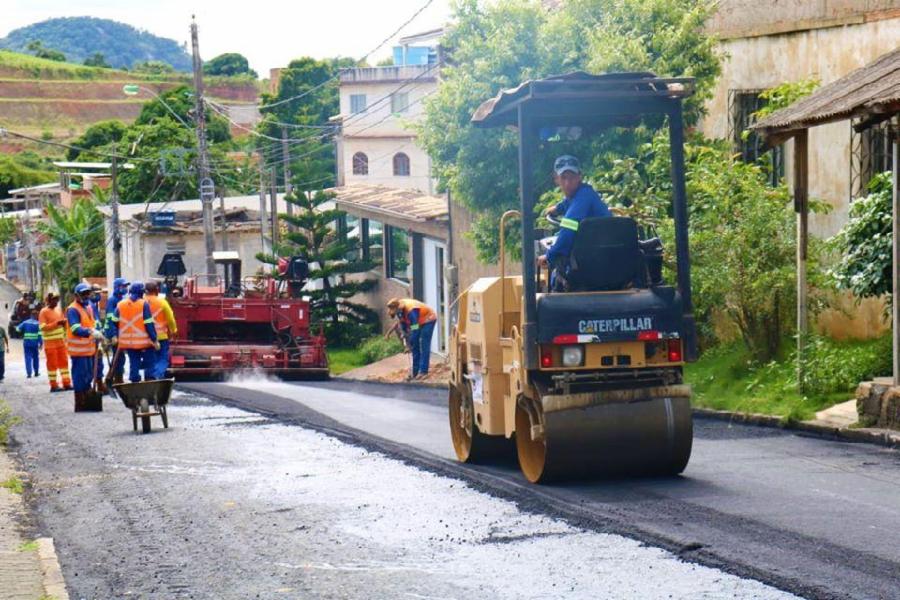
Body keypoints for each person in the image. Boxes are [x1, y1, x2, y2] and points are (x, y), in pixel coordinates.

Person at [536, 155, 611, 280]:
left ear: (579, 177)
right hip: (598, 256)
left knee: (556, 276)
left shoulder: (584, 196)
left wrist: (549, 256)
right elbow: (569, 203)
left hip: (595, 261)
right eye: (563, 178)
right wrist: (558, 208)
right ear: (556, 179)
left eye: (572, 177)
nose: (568, 183)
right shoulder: (582, 194)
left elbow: (568, 228)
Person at [106, 282, 159, 383]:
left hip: (128, 342)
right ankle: (149, 379)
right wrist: (154, 339)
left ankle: (134, 381)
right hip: (144, 341)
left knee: (134, 362)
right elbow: (148, 323)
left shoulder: (120, 304)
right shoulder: (144, 304)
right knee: (149, 361)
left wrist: (115, 335)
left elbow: (114, 321)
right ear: (141, 293)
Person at [66, 283, 106, 410]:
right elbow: (75, 328)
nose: (86, 296)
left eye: (87, 293)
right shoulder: (73, 309)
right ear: (76, 295)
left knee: (88, 375)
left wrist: (97, 339)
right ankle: (80, 402)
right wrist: (90, 332)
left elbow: (92, 324)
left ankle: (87, 399)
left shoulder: (88, 307)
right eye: (83, 294)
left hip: (89, 349)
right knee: (80, 376)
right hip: (78, 351)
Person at [385, 298, 437, 381]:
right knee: (415, 347)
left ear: (397, 308)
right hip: (418, 322)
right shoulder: (400, 312)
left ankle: (423, 371)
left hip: (428, 319)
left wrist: (411, 341)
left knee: (424, 344)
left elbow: (415, 327)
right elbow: (403, 324)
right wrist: (405, 334)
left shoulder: (411, 310)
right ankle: (415, 372)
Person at [38, 292, 71, 392]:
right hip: (50, 344)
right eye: (54, 300)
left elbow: (63, 325)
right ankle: (53, 385)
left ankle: (67, 383)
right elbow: (43, 327)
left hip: (60, 343)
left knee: (64, 363)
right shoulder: (43, 312)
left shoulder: (58, 310)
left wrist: (64, 323)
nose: (56, 302)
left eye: (57, 300)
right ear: (49, 300)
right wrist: (56, 323)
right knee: (52, 364)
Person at [144, 281, 177, 380]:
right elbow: (170, 318)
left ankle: (148, 378)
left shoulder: (141, 302)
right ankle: (157, 376)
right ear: (157, 290)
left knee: (149, 359)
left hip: (145, 337)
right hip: (161, 336)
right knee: (162, 358)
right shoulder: (162, 302)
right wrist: (174, 330)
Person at [105, 277, 129, 384]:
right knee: (118, 357)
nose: (125, 288)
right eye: (123, 286)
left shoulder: (121, 300)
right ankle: (115, 379)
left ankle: (115, 378)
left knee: (119, 357)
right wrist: (113, 335)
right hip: (113, 332)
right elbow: (111, 318)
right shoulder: (112, 300)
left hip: (119, 332)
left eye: (126, 286)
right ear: (117, 287)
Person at [16, 309, 42, 378]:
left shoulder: (25, 322)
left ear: (31, 315)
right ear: (36, 316)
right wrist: (41, 343)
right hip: (35, 344)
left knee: (28, 358)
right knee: (36, 358)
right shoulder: (38, 324)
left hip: (27, 343)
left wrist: (22, 331)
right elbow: (40, 335)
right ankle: (36, 372)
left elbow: (17, 329)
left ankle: (29, 373)